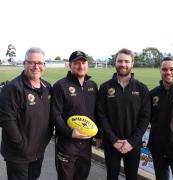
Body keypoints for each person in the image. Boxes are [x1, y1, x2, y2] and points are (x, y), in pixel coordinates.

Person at [97, 48, 150, 180]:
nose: (123, 64)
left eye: (127, 61)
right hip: (112, 144)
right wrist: (113, 140)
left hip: (133, 144)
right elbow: (101, 115)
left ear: (132, 63)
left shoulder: (141, 88)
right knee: (111, 176)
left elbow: (145, 118)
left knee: (132, 177)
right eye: (120, 61)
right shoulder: (105, 87)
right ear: (115, 63)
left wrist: (131, 142)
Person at [0, 47, 53, 180]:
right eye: (32, 62)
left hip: (38, 152)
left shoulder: (47, 87)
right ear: (24, 63)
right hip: (18, 155)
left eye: (40, 63)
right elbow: (7, 120)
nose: (36, 66)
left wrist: (45, 140)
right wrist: (22, 146)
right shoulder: (12, 88)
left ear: (44, 65)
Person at [51, 50, 98, 180]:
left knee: (82, 176)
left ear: (87, 65)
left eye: (83, 62)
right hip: (67, 144)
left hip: (86, 144)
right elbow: (55, 115)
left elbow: (95, 113)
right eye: (76, 63)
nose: (81, 66)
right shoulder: (60, 86)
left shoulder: (92, 86)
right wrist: (70, 132)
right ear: (70, 65)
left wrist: (98, 136)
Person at [148, 57, 173, 180]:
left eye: (172, 69)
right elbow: (148, 118)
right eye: (164, 69)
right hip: (158, 149)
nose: (168, 72)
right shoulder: (153, 93)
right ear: (160, 71)